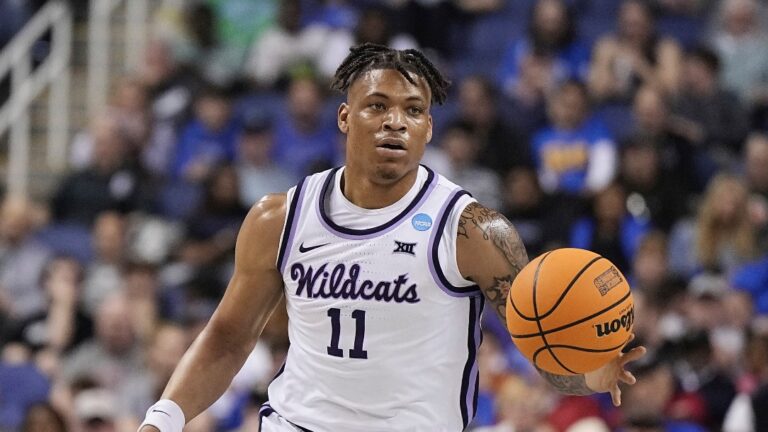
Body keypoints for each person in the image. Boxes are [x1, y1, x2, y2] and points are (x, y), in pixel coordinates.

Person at [138, 43, 646, 432]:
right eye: (377, 106)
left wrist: (589, 374)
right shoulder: (279, 218)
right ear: (344, 117)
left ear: (428, 128)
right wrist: (163, 418)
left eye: (413, 110)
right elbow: (228, 337)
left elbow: (539, 340)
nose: (395, 123)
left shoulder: (471, 230)